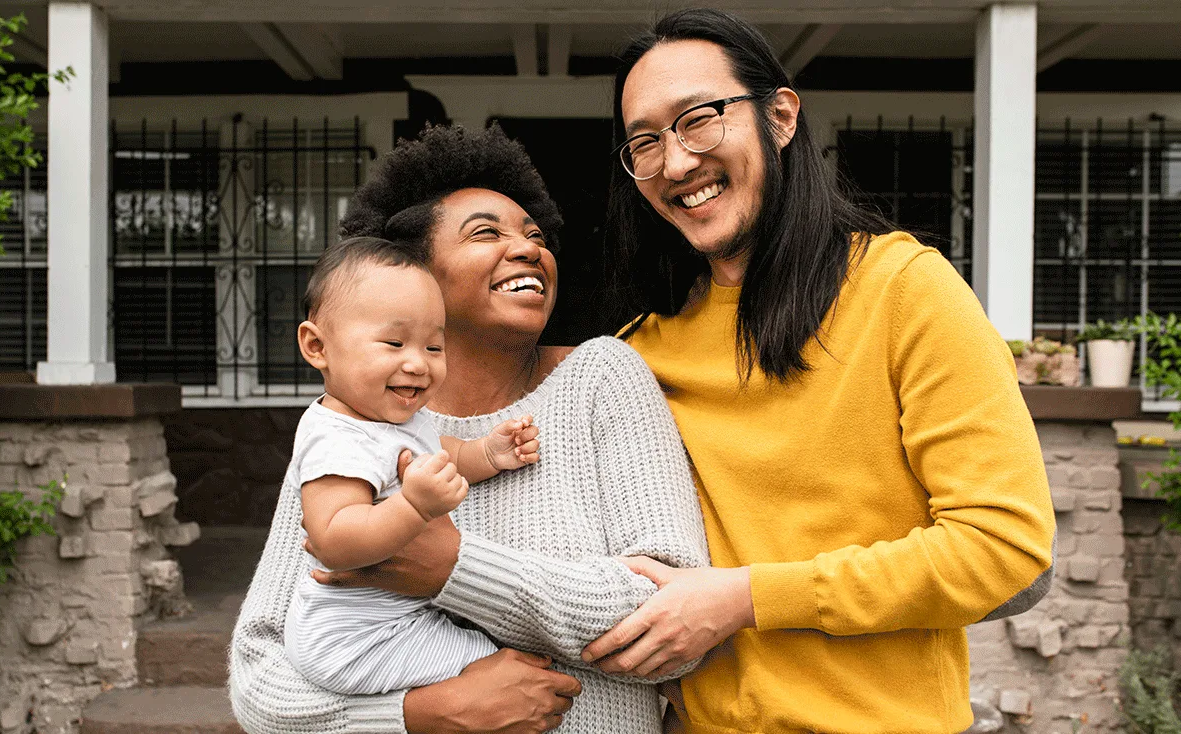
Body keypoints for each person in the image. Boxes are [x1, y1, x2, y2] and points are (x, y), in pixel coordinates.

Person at [581, 9, 1057, 733]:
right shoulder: (639, 353)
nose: (675, 163)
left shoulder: (903, 290)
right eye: (645, 142)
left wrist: (744, 599)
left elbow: (1004, 548)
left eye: (698, 119)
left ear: (780, 117)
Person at [229, 124, 711, 734]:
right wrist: (423, 714)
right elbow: (259, 678)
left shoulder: (602, 379)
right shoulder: (353, 423)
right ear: (413, 274)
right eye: (487, 233)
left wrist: (453, 568)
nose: (528, 249)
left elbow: (678, 625)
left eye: (536, 237)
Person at [283, 235, 541, 695]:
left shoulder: (397, 419)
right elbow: (331, 540)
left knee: (496, 658)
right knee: (499, 669)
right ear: (317, 347)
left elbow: (444, 457)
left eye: (434, 348)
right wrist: (414, 507)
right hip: (354, 639)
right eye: (394, 342)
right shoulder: (335, 436)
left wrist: (487, 453)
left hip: (395, 622)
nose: (418, 364)